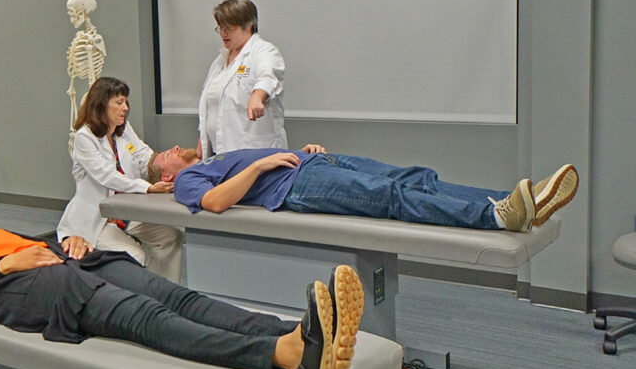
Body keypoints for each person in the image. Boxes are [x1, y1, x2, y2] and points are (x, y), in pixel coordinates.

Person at [0, 218, 365, 369]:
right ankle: (283, 354)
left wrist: (71, 240)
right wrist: (3, 269)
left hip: (82, 263)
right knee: (150, 318)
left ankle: (297, 331)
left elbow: (32, 242)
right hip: (43, 292)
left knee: (182, 297)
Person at [148, 145, 579, 233]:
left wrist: (302, 150)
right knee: (388, 197)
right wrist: (261, 163)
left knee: (415, 177)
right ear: (165, 177)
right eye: (161, 158)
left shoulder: (210, 157)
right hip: (297, 185)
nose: (169, 149)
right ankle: (495, 217)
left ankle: (512, 200)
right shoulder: (188, 180)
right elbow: (215, 203)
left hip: (315, 161)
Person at [57, 77, 184, 282]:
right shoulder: (85, 137)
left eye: (126, 102)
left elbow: (144, 155)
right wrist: (148, 188)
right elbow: (106, 176)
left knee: (170, 237)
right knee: (134, 254)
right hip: (98, 220)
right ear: (101, 105)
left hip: (127, 214)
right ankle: (136, 301)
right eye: (119, 102)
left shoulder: (122, 131)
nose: (125, 108)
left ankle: (165, 293)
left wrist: (169, 163)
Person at [197, 0, 287, 159]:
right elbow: (213, 107)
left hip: (255, 152)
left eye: (229, 28)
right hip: (220, 152)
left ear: (248, 26)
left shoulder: (264, 51)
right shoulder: (220, 61)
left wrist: (257, 97)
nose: (223, 33)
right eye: (220, 28)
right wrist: (204, 139)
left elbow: (268, 76)